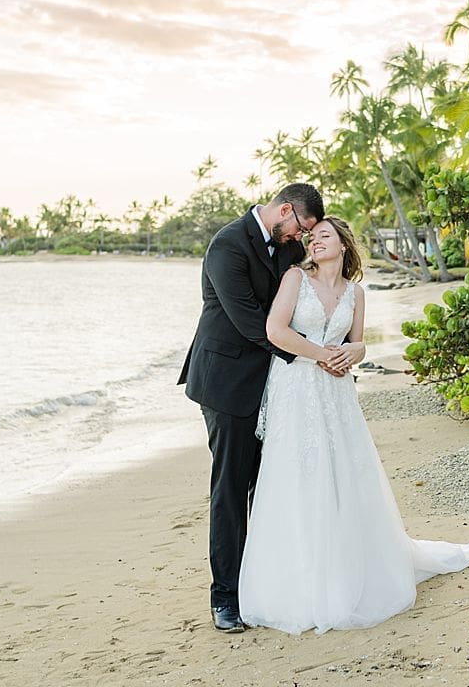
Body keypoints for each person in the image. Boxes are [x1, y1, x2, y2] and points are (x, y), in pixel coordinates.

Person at [238, 217, 469, 634]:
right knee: (299, 473)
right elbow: (275, 331)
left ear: (344, 246)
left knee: (344, 472)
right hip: (297, 388)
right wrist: (322, 355)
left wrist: (353, 352)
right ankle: (299, 579)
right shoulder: (295, 278)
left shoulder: (356, 292)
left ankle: (350, 566)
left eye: (324, 236)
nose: (314, 242)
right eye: (311, 238)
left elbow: (359, 340)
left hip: (336, 392)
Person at [178, 183, 341, 634]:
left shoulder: (288, 248)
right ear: (284, 210)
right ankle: (225, 598)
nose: (300, 239)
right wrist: (313, 357)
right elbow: (254, 321)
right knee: (231, 487)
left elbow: (306, 298)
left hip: (278, 386)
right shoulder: (226, 245)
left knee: (270, 485)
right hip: (225, 383)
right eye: (300, 229)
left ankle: (264, 586)